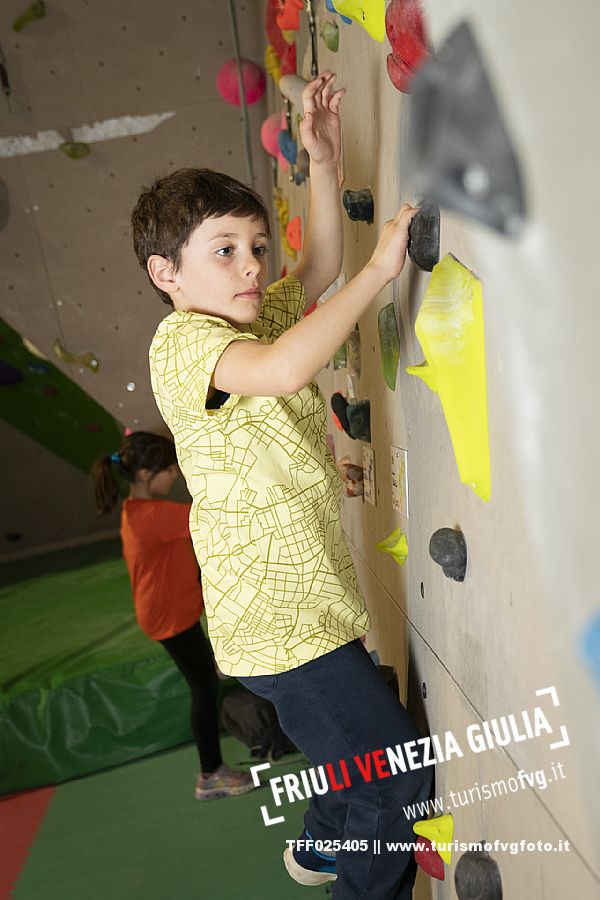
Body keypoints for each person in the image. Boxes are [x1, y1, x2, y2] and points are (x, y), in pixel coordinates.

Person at [132, 71, 432, 899]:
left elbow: (320, 264)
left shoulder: (252, 310)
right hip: (279, 624)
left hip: (310, 605)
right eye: (224, 252)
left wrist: (324, 162)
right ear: (167, 273)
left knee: (352, 768)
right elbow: (289, 362)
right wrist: (385, 271)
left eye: (256, 246)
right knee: (398, 782)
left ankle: (324, 844)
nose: (252, 265)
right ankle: (348, 870)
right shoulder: (185, 344)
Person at [92, 431, 254, 801]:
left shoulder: (136, 510)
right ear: (147, 475)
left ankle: (217, 667)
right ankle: (210, 774)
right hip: (169, 618)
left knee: (205, 678)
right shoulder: (154, 517)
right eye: (169, 469)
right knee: (204, 688)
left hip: (167, 611)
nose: (176, 474)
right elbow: (210, 519)